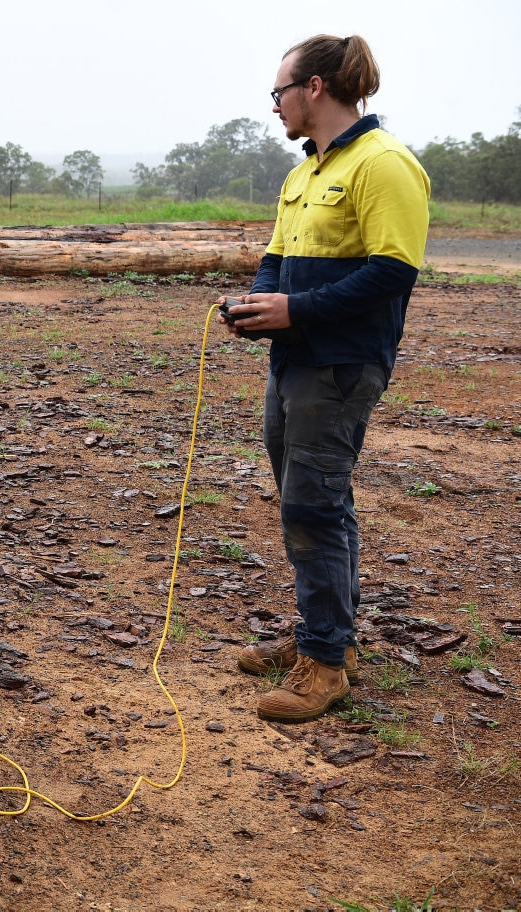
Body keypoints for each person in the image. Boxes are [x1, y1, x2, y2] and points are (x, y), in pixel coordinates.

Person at [220, 34, 430, 722]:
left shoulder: (385, 163)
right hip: (295, 359)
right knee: (306, 500)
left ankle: (326, 666)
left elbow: (392, 271)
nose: (274, 105)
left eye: (278, 91)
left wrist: (296, 310)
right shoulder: (305, 171)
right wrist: (258, 305)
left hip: (340, 364)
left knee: (313, 507)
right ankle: (324, 636)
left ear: (313, 88)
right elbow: (275, 261)